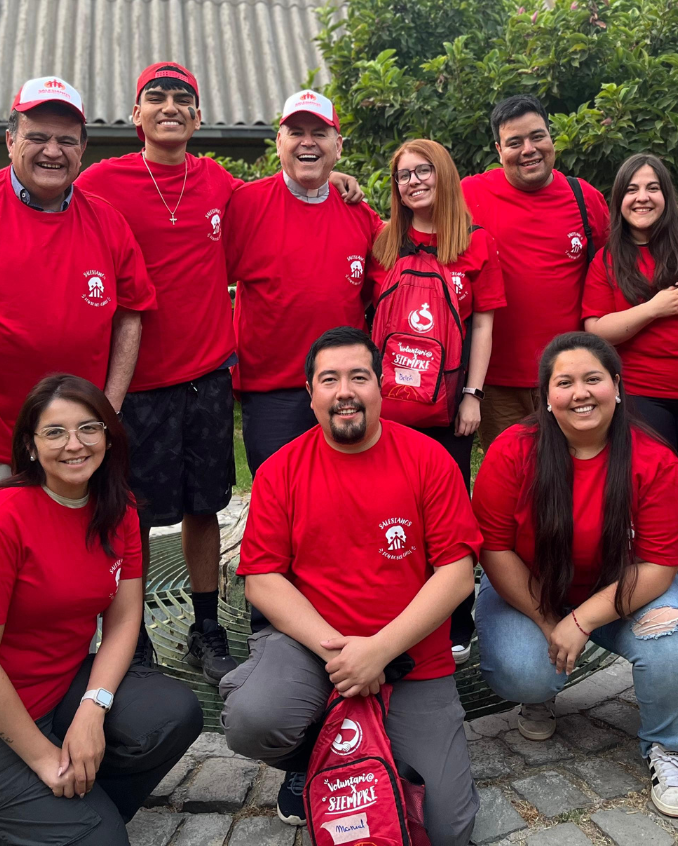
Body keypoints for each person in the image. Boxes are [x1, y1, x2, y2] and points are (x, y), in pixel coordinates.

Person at [78, 66, 362, 682]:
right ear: (136, 114)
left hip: (207, 377)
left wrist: (334, 180)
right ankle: (133, 634)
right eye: (157, 97)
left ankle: (206, 626)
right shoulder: (100, 181)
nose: (171, 107)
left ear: (199, 120)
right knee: (134, 513)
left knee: (206, 506)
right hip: (137, 382)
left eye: (184, 99)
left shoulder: (221, 185)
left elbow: (288, 192)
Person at [220, 327, 483, 844]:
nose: (345, 391)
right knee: (254, 718)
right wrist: (345, 655)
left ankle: (373, 740)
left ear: (380, 386)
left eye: (359, 377)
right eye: (330, 379)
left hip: (412, 659)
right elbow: (262, 581)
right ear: (310, 393)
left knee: (447, 830)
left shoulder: (430, 460)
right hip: (313, 650)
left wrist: (379, 651)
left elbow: (455, 575)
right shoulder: (280, 471)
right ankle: (318, 754)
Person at [472, 331, 678, 818]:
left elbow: (659, 564)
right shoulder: (511, 452)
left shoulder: (655, 459)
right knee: (526, 672)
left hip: (621, 592)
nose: (580, 393)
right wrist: (549, 620)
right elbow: (495, 549)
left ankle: (666, 746)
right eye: (564, 383)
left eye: (593, 379)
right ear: (546, 398)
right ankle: (539, 696)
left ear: (618, 387)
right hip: (530, 592)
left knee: (670, 642)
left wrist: (581, 621)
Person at [0, 374, 203, 845]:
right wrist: (43, 759)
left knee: (173, 713)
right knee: (103, 839)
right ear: (30, 446)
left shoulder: (118, 508)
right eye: (54, 432)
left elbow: (125, 619)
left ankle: (69, 813)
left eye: (89, 428)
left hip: (61, 690)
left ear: (109, 438)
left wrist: (93, 709)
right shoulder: (9, 517)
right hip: (9, 712)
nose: (75, 444)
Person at [371, 138, 505, 662]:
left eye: (423, 171)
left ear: (444, 174)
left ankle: (456, 620)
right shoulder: (382, 241)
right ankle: (395, 609)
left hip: (448, 409)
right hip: (387, 409)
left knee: (447, 516)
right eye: (403, 175)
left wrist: (473, 396)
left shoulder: (476, 243)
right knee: (389, 512)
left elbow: (485, 327)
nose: (414, 182)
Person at [1, 77, 156, 481]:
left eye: (67, 141)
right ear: (10, 140)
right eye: (38, 137)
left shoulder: (107, 221)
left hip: (80, 447)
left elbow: (130, 316)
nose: (53, 151)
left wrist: (108, 410)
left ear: (82, 150)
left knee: (82, 541)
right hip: (1, 445)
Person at [224, 90, 383, 477]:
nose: (307, 142)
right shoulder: (243, 204)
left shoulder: (361, 216)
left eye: (320, 133)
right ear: (279, 142)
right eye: (296, 131)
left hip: (344, 388)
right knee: (278, 498)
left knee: (347, 494)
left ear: (338, 146)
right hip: (271, 389)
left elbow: (377, 295)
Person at [461, 94, 609, 449]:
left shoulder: (584, 198)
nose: (529, 149)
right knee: (514, 481)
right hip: (497, 382)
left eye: (537, 136)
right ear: (499, 150)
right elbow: (408, 207)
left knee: (578, 474)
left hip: (571, 378)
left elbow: (613, 276)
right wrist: (336, 180)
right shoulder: (468, 195)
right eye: (515, 142)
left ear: (550, 138)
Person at [583, 153, 678, 449]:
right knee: (658, 479)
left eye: (652, 188)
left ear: (666, 195)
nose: (642, 198)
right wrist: (653, 309)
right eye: (632, 190)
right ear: (619, 199)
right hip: (643, 392)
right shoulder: (607, 260)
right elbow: (597, 330)